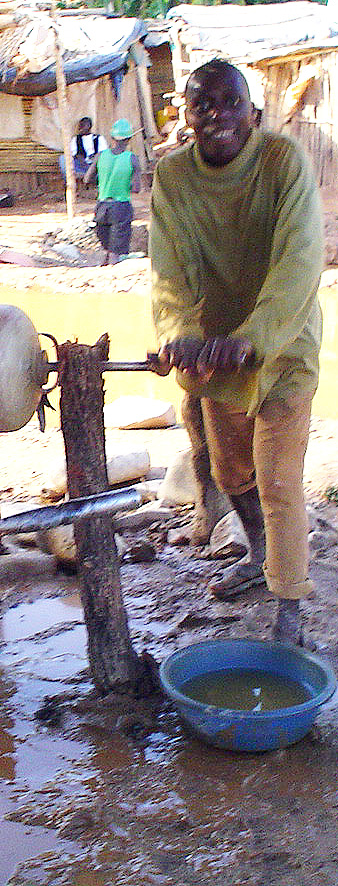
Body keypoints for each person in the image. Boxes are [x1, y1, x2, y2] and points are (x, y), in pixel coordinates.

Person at [148, 58, 323, 647]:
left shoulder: (283, 163)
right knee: (231, 473)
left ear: (252, 112)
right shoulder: (173, 178)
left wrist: (253, 339)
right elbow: (168, 268)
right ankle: (256, 554)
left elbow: (300, 264)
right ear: (187, 116)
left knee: (278, 481)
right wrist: (176, 334)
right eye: (204, 105)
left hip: (283, 346)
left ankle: (290, 605)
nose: (218, 116)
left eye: (230, 103)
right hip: (217, 356)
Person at [86, 117, 141, 264]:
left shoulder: (101, 156)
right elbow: (136, 188)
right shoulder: (132, 159)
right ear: (129, 139)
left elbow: (86, 179)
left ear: (112, 137)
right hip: (121, 208)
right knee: (115, 252)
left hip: (102, 207)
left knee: (107, 248)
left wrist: (104, 181)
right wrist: (122, 183)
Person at [59, 116, 101, 184]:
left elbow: (102, 154)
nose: (80, 128)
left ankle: (92, 177)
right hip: (82, 166)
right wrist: (84, 162)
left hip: (95, 167)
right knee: (62, 158)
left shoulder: (99, 138)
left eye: (83, 126)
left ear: (89, 126)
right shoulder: (75, 139)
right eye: (80, 126)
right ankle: (74, 179)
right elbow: (75, 154)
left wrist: (93, 162)